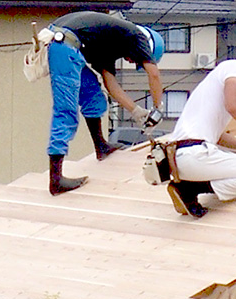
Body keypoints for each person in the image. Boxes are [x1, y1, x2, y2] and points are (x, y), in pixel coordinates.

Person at [42, 11, 166, 195]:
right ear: (147, 47)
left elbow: (111, 85)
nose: (132, 61)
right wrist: (158, 109)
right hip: (63, 46)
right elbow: (154, 74)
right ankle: (56, 179)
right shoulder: (135, 35)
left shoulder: (110, 41)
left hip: (67, 46)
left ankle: (101, 147)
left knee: (94, 96)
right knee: (66, 111)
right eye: (137, 60)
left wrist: (136, 111)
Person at [159, 37, 236, 218]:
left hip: (179, 159)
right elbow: (235, 106)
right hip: (196, 155)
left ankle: (188, 184)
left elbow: (218, 136)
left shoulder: (219, 77)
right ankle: (191, 188)